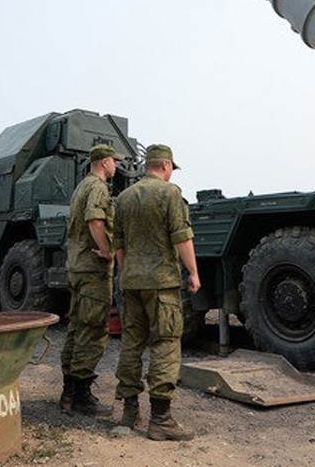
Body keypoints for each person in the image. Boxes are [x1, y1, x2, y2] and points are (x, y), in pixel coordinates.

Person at [113, 144, 199, 441]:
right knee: (165, 344)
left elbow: (118, 243)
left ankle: (129, 412)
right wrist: (193, 272)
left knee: (131, 344)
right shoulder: (170, 194)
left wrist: (124, 274)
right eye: (172, 168)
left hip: (132, 283)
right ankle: (160, 419)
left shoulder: (124, 198)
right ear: (165, 165)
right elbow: (182, 237)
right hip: (161, 283)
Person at [59, 143, 125, 416]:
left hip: (77, 266)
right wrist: (107, 251)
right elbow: (95, 220)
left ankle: (68, 394)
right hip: (92, 269)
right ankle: (81, 396)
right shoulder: (98, 188)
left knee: (77, 327)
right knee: (94, 330)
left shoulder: (81, 187)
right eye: (114, 161)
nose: (116, 166)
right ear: (104, 162)